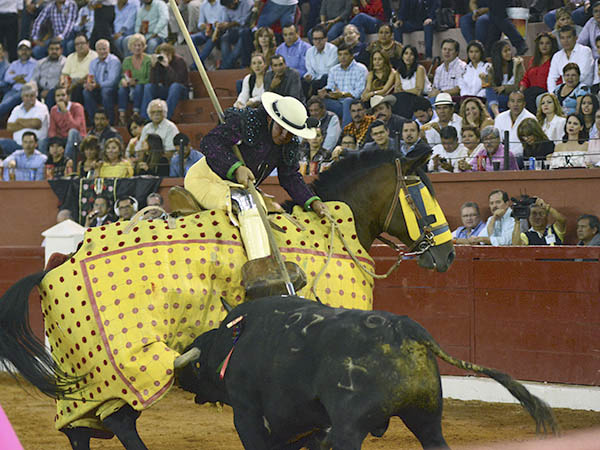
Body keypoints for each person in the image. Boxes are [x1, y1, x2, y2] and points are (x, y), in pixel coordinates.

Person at [186, 92, 325, 294]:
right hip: (206, 179)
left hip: (238, 187)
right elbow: (210, 143)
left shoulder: (289, 143)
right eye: (281, 129)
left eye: (290, 133)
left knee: (267, 206)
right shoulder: (245, 122)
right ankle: (260, 275)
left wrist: (312, 200)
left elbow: (289, 176)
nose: (284, 136)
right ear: (270, 119)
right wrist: (235, 167)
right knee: (248, 203)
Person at [318, 44, 368, 127]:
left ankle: (346, 131)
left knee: (347, 101)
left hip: (354, 103)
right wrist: (325, 92)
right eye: (340, 55)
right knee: (317, 101)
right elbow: (330, 87)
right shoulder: (334, 70)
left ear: (352, 56)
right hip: (337, 102)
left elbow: (358, 93)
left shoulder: (361, 69)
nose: (342, 57)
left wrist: (342, 94)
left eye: (345, 54)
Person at [141, 43, 189, 121]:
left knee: (175, 86)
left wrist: (167, 67)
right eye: (163, 55)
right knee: (148, 87)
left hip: (180, 90)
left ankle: (165, 117)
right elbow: (153, 82)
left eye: (167, 55)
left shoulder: (179, 61)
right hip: (166, 89)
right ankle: (145, 118)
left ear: (171, 54)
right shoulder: (159, 62)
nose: (165, 57)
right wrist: (153, 66)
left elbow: (178, 80)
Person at [1, 82, 50, 157]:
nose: (29, 99)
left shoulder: (42, 107)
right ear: (22, 97)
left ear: (36, 96)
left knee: (42, 143)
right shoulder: (17, 109)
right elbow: (10, 127)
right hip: (17, 145)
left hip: (36, 146)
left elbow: (36, 123)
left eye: (32, 96)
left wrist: (19, 121)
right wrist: (30, 123)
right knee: (2, 143)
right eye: (27, 96)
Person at [83, 39, 121, 126]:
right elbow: (91, 77)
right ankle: (94, 121)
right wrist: (89, 84)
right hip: (97, 88)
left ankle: (109, 121)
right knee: (86, 92)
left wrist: (97, 85)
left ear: (109, 49)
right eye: (100, 49)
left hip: (112, 90)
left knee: (105, 91)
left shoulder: (114, 61)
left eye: (104, 49)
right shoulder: (93, 62)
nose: (102, 51)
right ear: (96, 51)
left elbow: (112, 82)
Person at [520, 33, 559, 114]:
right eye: (541, 43)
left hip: (545, 93)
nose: (544, 46)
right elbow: (526, 78)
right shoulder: (533, 60)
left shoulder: (555, 60)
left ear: (552, 45)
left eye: (547, 43)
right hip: (531, 92)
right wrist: (522, 88)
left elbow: (558, 80)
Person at [547, 25, 594, 93]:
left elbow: (582, 75)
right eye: (562, 38)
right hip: (564, 91)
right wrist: (553, 94)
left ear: (576, 38)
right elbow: (551, 78)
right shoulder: (557, 56)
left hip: (583, 90)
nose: (565, 41)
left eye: (569, 37)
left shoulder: (585, 51)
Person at [117, 33, 152, 126]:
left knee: (139, 87)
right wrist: (123, 81)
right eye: (135, 45)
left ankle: (136, 113)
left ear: (144, 47)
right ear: (130, 47)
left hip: (143, 86)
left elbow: (149, 79)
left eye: (139, 45)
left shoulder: (148, 60)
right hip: (130, 86)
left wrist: (135, 82)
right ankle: (122, 116)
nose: (137, 48)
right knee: (122, 89)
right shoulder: (127, 60)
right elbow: (124, 76)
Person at [485, 41, 525, 118]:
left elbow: (519, 85)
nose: (509, 53)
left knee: (491, 105)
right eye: (505, 51)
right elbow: (493, 88)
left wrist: (504, 88)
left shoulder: (517, 64)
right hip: (499, 98)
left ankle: (497, 115)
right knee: (489, 90)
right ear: (498, 54)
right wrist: (486, 79)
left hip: (513, 96)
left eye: (509, 50)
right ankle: (497, 114)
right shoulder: (493, 69)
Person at [0, 40, 37, 120]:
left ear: (30, 51)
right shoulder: (14, 64)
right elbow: (7, 78)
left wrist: (15, 77)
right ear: (18, 51)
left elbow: (28, 80)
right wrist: (20, 77)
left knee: (5, 104)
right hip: (13, 90)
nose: (24, 52)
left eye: (26, 49)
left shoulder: (35, 64)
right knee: (3, 104)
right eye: (21, 50)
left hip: (25, 91)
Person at [493, 91, 536, 159]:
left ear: (524, 104)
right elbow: (497, 140)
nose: (515, 104)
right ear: (508, 104)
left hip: (522, 157)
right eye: (512, 101)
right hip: (503, 157)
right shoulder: (500, 118)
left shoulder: (531, 118)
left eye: (519, 101)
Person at [48, 86, 86, 161]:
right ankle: (48, 163)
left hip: (78, 138)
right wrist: (57, 143)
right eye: (58, 96)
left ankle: (65, 161)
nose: (60, 98)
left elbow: (75, 127)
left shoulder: (77, 107)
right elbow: (52, 130)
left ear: (68, 97)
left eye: (63, 95)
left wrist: (65, 111)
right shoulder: (53, 110)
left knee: (72, 132)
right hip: (62, 139)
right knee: (43, 140)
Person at [392, 45, 430, 119]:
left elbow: (418, 91)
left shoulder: (419, 69)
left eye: (411, 54)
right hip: (405, 99)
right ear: (402, 56)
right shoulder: (398, 71)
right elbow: (397, 90)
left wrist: (404, 92)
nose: (408, 56)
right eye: (406, 53)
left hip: (421, 98)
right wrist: (404, 92)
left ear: (415, 57)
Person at [61, 33, 98, 105]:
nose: (79, 46)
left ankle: (75, 111)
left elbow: (91, 75)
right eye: (77, 44)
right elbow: (65, 74)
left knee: (77, 89)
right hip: (70, 82)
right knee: (54, 91)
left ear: (88, 44)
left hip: (85, 83)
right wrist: (65, 84)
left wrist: (74, 84)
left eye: (82, 43)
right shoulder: (71, 57)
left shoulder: (94, 56)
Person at [303, 25, 338, 100]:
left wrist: (315, 78)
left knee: (324, 77)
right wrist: (309, 76)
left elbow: (329, 71)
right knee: (303, 80)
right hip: (315, 80)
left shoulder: (333, 50)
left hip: (328, 80)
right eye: (315, 39)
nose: (318, 41)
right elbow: (310, 70)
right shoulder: (309, 51)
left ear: (326, 39)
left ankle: (312, 98)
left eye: (320, 39)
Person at [31, 38, 66, 111]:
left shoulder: (64, 62)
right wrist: (35, 90)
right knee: (29, 93)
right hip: (40, 89)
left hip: (55, 90)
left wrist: (48, 90)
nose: (54, 51)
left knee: (51, 95)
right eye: (51, 49)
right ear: (48, 50)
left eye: (57, 49)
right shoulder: (40, 62)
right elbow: (34, 79)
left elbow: (62, 81)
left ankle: (47, 117)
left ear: (61, 50)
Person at [219, 0, 254, 70]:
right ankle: (228, 65)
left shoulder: (247, 3)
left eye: (230, 5)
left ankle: (225, 66)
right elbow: (226, 20)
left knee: (243, 37)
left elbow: (244, 21)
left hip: (247, 30)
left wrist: (231, 24)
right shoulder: (226, 7)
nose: (229, 8)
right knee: (224, 37)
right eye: (227, 7)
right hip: (233, 30)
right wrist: (222, 25)